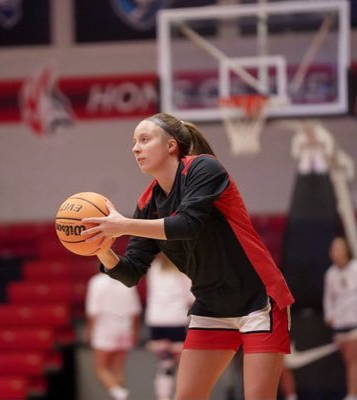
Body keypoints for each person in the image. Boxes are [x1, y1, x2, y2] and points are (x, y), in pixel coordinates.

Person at [81, 112, 295, 400]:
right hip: (211, 305)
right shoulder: (148, 202)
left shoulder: (203, 169)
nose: (135, 148)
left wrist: (122, 225)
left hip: (258, 300)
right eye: (134, 142)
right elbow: (130, 273)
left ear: (171, 145)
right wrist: (101, 249)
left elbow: (188, 224)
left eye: (144, 139)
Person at [85, 272, 142, 400]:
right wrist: (134, 331)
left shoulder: (96, 282)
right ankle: (119, 393)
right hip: (124, 329)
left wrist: (88, 331)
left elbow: (93, 311)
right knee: (118, 370)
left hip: (104, 330)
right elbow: (135, 311)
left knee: (100, 369)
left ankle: (119, 394)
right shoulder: (127, 280)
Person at [145, 252, 194, 400]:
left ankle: (163, 396)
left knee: (164, 363)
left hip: (156, 319)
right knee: (182, 365)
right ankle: (182, 396)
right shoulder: (183, 267)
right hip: (177, 318)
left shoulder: (153, 267)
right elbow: (192, 296)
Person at [323, 236, 357, 400]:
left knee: (353, 360)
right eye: (333, 249)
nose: (335, 252)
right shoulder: (330, 274)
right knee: (348, 361)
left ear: (346, 250)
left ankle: (352, 394)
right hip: (340, 324)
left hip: (354, 322)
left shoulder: (355, 268)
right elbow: (328, 298)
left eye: (339, 248)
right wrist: (329, 316)